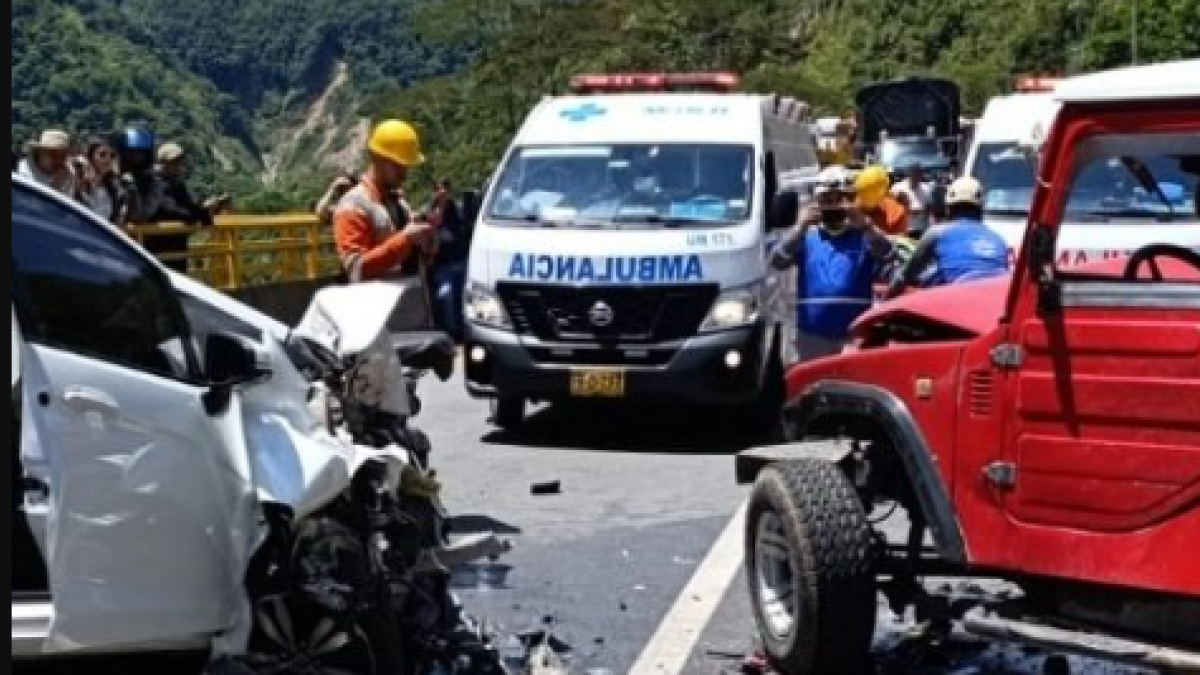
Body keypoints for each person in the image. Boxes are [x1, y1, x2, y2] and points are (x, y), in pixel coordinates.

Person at [771, 165, 900, 360]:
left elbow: (891, 256)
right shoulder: (806, 238)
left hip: (854, 337)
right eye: (826, 200)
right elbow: (777, 261)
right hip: (812, 337)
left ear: (850, 201)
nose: (833, 206)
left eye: (839, 199)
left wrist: (867, 226)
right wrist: (800, 228)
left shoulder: (865, 237)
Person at [332, 119, 436, 331]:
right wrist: (405, 239)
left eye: (406, 166)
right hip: (377, 325)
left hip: (412, 315)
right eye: (397, 166)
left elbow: (412, 261)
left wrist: (427, 247)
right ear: (377, 159)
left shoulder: (398, 203)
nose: (404, 173)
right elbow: (357, 269)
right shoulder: (354, 205)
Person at [886, 176, 1009, 298]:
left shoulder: (937, 232)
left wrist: (885, 302)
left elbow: (904, 276)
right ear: (981, 209)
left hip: (955, 305)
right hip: (995, 304)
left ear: (948, 209)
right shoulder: (998, 239)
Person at [149, 142, 230, 272]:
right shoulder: (154, 183)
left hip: (178, 245)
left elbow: (189, 205)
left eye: (180, 161)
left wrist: (206, 208)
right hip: (160, 246)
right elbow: (171, 210)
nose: (178, 165)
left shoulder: (177, 183)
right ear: (162, 162)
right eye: (174, 161)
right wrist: (199, 212)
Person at [428, 178, 471, 340]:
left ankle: (462, 331)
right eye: (439, 188)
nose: (443, 192)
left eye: (445, 188)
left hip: (460, 260)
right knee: (445, 295)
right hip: (442, 265)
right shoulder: (430, 212)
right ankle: (451, 331)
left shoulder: (458, 209)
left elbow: (465, 229)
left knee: (462, 298)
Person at [17, 130, 82, 200]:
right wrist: (54, 189)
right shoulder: (23, 172)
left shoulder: (68, 174)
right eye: (53, 154)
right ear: (40, 153)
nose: (58, 160)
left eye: (63, 156)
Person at [80, 136, 125, 226]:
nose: (108, 159)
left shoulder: (115, 188)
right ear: (91, 156)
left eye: (112, 155)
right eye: (102, 154)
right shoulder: (78, 183)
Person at [854, 165, 909, 236]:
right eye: (859, 194)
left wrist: (870, 227)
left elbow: (898, 244)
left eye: (867, 197)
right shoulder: (850, 206)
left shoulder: (896, 214)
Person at [890, 163, 935, 237]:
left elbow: (929, 209)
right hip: (904, 230)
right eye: (914, 174)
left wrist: (930, 219)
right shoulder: (897, 188)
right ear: (909, 174)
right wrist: (908, 211)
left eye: (918, 174)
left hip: (922, 229)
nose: (917, 177)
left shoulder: (926, 189)